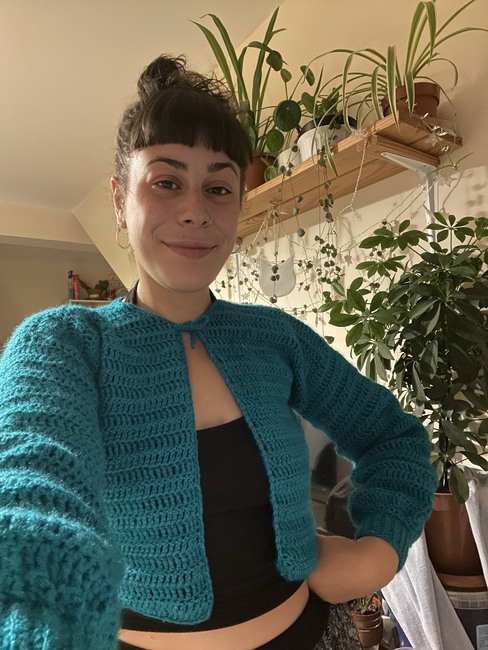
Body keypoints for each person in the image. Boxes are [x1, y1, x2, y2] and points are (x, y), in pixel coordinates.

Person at [0, 54, 438, 650]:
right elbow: (33, 489)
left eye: (218, 188)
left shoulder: (275, 338)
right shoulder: (65, 344)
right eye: (166, 182)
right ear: (120, 201)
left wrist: (380, 549)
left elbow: (393, 436)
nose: (195, 211)